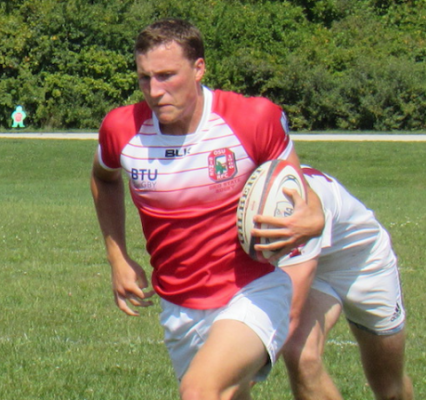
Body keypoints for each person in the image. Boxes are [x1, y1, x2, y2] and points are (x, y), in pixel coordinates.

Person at [90, 18, 325, 400]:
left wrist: (315, 217)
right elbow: (104, 178)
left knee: (199, 391)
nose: (155, 90)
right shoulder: (122, 129)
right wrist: (118, 257)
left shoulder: (251, 119)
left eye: (167, 75)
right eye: (144, 78)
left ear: (199, 68)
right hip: (178, 303)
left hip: (253, 291)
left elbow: (296, 188)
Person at [277, 166, 413, 400]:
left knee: (390, 388)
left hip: (365, 262)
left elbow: (288, 315)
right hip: (316, 268)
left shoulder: (291, 202)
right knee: (301, 354)